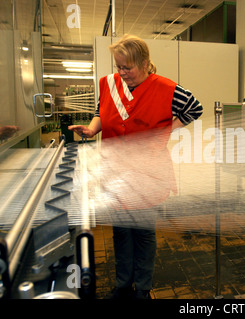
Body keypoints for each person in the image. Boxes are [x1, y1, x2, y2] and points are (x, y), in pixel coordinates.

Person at [69, 34, 202, 299]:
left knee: (142, 232)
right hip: (114, 170)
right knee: (120, 231)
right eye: (118, 66)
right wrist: (92, 129)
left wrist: (166, 129)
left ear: (143, 62)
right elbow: (100, 112)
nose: (121, 72)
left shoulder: (168, 89)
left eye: (127, 67)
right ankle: (122, 284)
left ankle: (142, 288)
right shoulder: (108, 83)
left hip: (147, 172)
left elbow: (194, 109)